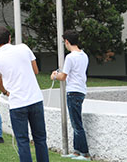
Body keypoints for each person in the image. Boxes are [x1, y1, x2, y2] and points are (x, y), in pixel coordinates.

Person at [0, 26, 48, 162]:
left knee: (23, 141)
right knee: (40, 139)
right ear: (10, 38)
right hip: (34, 98)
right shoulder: (23, 48)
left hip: (17, 102)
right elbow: (35, 70)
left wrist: (5, 91)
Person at [51, 31, 90, 161]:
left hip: (73, 92)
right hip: (81, 90)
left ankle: (85, 153)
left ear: (67, 41)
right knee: (75, 122)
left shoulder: (70, 57)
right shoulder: (84, 55)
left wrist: (55, 75)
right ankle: (77, 151)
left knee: (76, 123)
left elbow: (63, 76)